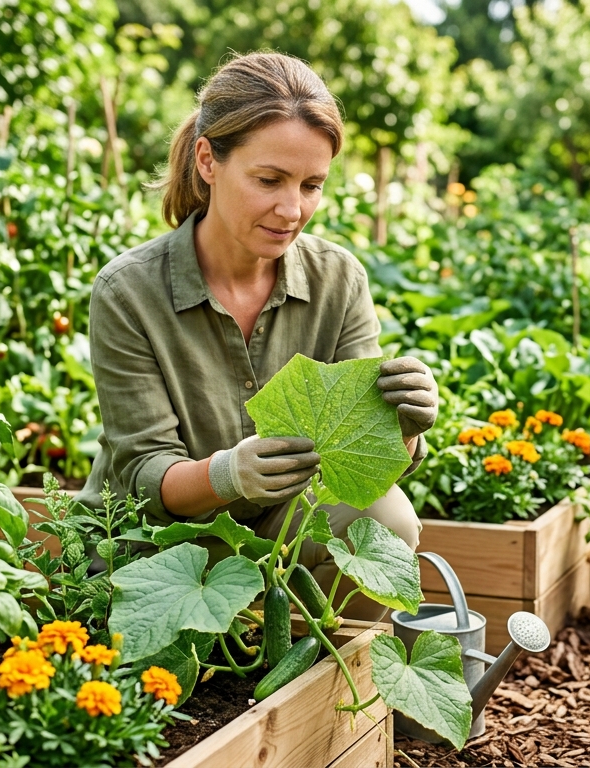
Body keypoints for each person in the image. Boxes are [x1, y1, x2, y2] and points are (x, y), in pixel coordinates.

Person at [76, 52, 437, 620]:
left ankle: (321, 691)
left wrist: (404, 432)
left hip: (284, 531)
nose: (292, 209)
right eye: (269, 180)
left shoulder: (339, 280)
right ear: (207, 160)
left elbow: (359, 464)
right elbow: (145, 474)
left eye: (312, 184)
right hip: (162, 544)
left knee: (387, 521)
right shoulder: (128, 292)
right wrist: (228, 473)